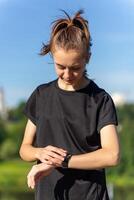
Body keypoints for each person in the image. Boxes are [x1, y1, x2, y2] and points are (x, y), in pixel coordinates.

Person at [19, 9, 120, 200]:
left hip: (90, 195)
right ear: (52, 57)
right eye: (60, 67)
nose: (67, 75)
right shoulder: (41, 95)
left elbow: (112, 155)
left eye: (75, 68)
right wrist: (40, 152)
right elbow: (25, 149)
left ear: (87, 58)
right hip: (49, 195)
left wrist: (62, 161)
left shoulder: (100, 99)